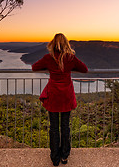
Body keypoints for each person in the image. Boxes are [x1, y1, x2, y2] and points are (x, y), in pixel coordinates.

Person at [32, 33, 88, 166]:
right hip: (66, 97)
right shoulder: (70, 58)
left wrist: (49, 67)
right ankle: (64, 156)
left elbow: (34, 67)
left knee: (54, 127)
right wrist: (70, 67)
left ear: (53, 44)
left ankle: (55, 158)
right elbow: (84, 69)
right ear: (66, 44)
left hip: (53, 96)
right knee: (65, 126)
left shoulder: (48, 58)